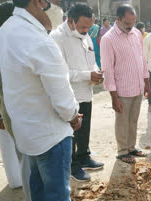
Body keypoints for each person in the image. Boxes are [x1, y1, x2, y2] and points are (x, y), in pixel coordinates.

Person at [0, 0, 81, 201]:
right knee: (58, 197)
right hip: (51, 135)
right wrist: (73, 117)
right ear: (38, 1)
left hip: (27, 130)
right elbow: (63, 101)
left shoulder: (8, 28)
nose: (59, 6)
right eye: (55, 1)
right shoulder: (40, 42)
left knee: (38, 189)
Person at [51, 4, 104, 182]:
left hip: (86, 92)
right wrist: (88, 75)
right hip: (69, 95)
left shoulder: (86, 35)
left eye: (89, 27)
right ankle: (72, 166)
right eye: (83, 27)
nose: (86, 30)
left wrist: (96, 73)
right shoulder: (57, 38)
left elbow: (91, 61)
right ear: (70, 20)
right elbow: (61, 73)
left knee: (85, 128)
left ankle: (83, 157)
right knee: (71, 132)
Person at [0, 2, 33, 201]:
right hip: (9, 108)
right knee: (24, 154)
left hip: (20, 105)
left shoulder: (8, 36)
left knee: (27, 153)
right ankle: (33, 200)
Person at [100, 4, 150, 164]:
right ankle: (122, 151)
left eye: (133, 22)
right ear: (118, 19)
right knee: (122, 121)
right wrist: (114, 97)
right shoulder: (108, 39)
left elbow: (142, 59)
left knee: (133, 120)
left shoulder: (136, 34)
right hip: (122, 90)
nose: (130, 26)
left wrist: (146, 81)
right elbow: (107, 70)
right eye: (127, 23)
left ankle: (131, 147)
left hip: (137, 87)